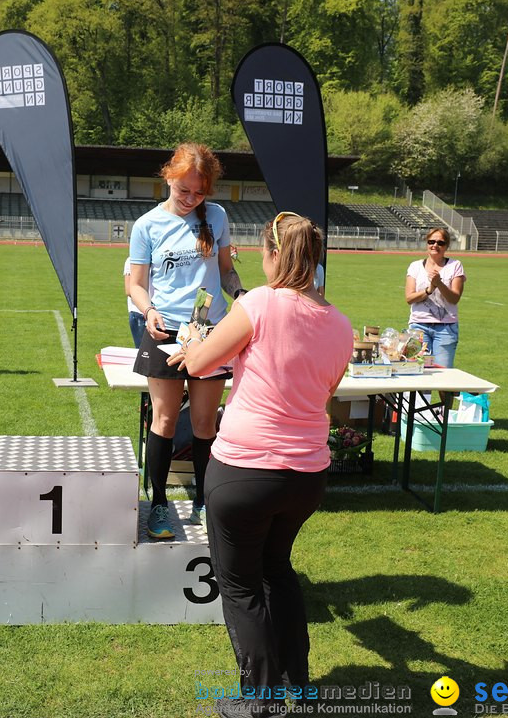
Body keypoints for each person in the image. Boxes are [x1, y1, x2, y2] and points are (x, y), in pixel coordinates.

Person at [169, 212, 353, 718]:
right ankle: (298, 685)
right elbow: (327, 390)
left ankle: (263, 702)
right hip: (306, 474)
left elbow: (202, 362)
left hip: (246, 470)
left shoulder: (260, 302)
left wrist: (191, 347)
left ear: (275, 255)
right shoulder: (339, 322)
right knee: (278, 571)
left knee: (241, 586)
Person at [128, 143, 246, 538]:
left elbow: (227, 272)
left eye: (199, 192)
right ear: (168, 178)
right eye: (184, 190)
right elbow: (137, 284)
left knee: (203, 423)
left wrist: (243, 297)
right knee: (162, 420)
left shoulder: (217, 215)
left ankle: (204, 499)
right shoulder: (146, 225)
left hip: (210, 332)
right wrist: (149, 311)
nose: (191, 198)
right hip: (165, 332)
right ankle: (159, 503)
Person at [404, 227, 465, 368]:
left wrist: (439, 284)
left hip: (446, 328)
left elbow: (454, 298)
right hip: (418, 327)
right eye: (431, 241)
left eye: (440, 243)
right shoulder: (415, 266)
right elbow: (409, 298)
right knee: (417, 372)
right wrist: (430, 289)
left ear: (447, 246)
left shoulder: (455, 266)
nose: (435, 245)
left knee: (444, 376)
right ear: (427, 243)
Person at [123, 259, 150, 349]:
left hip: (157, 313)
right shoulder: (132, 260)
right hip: (139, 313)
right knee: (142, 352)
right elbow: (129, 290)